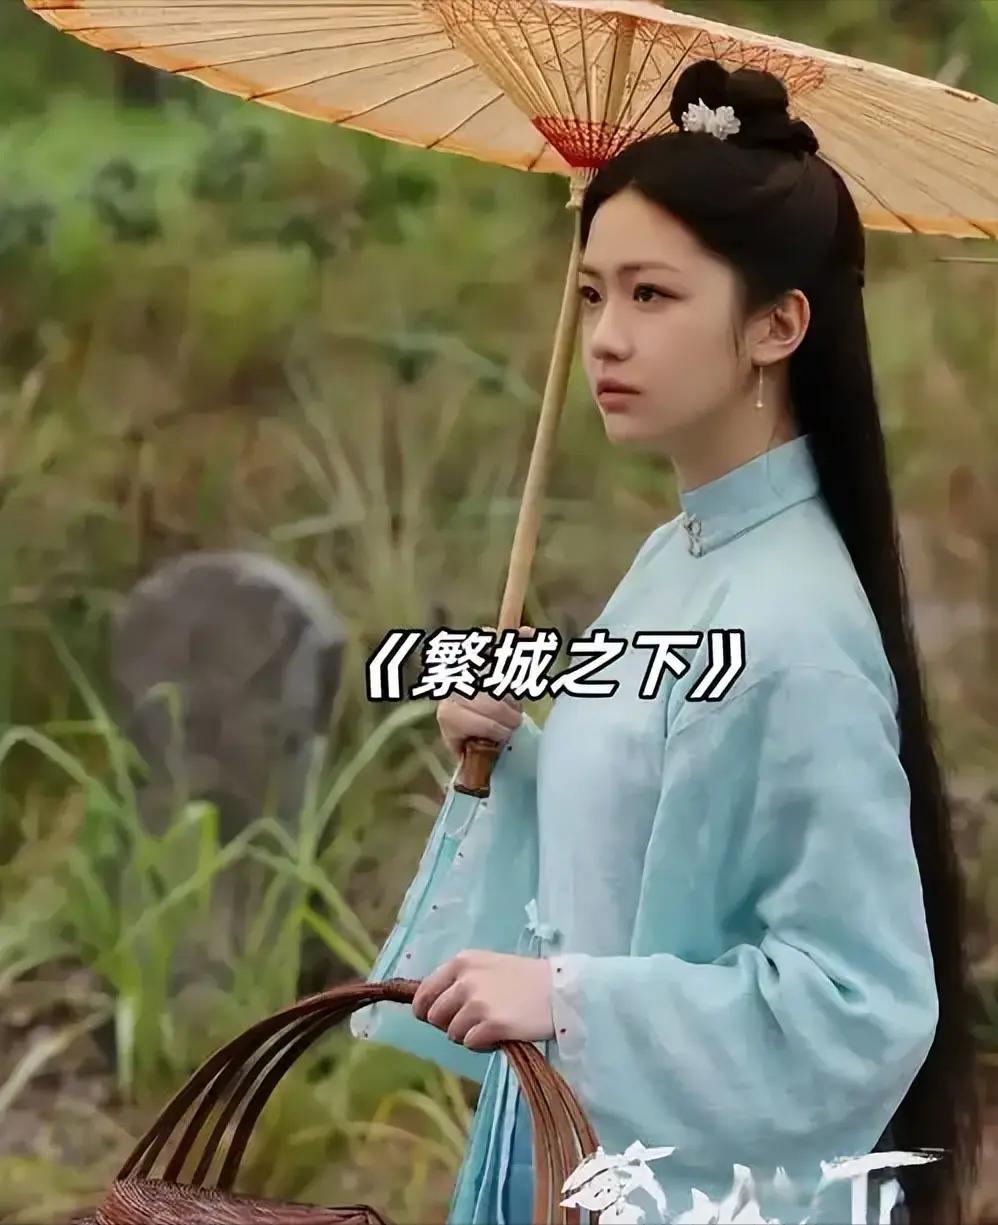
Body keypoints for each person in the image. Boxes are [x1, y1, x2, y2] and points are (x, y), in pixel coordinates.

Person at [351, 58, 980, 1225]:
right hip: (576, 1142)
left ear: (776, 324)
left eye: (651, 295)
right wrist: (513, 754)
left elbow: (856, 1003)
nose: (604, 337)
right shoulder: (678, 554)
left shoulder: (794, 625)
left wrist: (564, 998)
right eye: (592, 293)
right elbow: (648, 834)